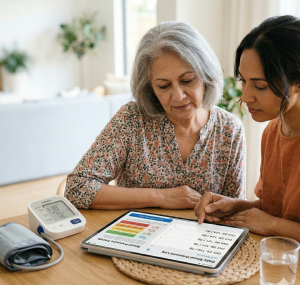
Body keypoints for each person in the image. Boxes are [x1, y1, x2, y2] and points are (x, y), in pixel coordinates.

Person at [65, 21, 246, 210]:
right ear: (149, 87)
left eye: (187, 80)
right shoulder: (131, 120)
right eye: (163, 86)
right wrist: (160, 197)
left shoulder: (229, 129)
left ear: (206, 75)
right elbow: (77, 187)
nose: (178, 96)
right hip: (136, 235)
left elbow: (236, 210)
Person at [195, 15, 300, 241]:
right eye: (243, 80)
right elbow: (278, 208)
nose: (245, 96)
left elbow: (276, 219)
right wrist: (235, 206)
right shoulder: (273, 132)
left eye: (259, 86)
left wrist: (272, 225)